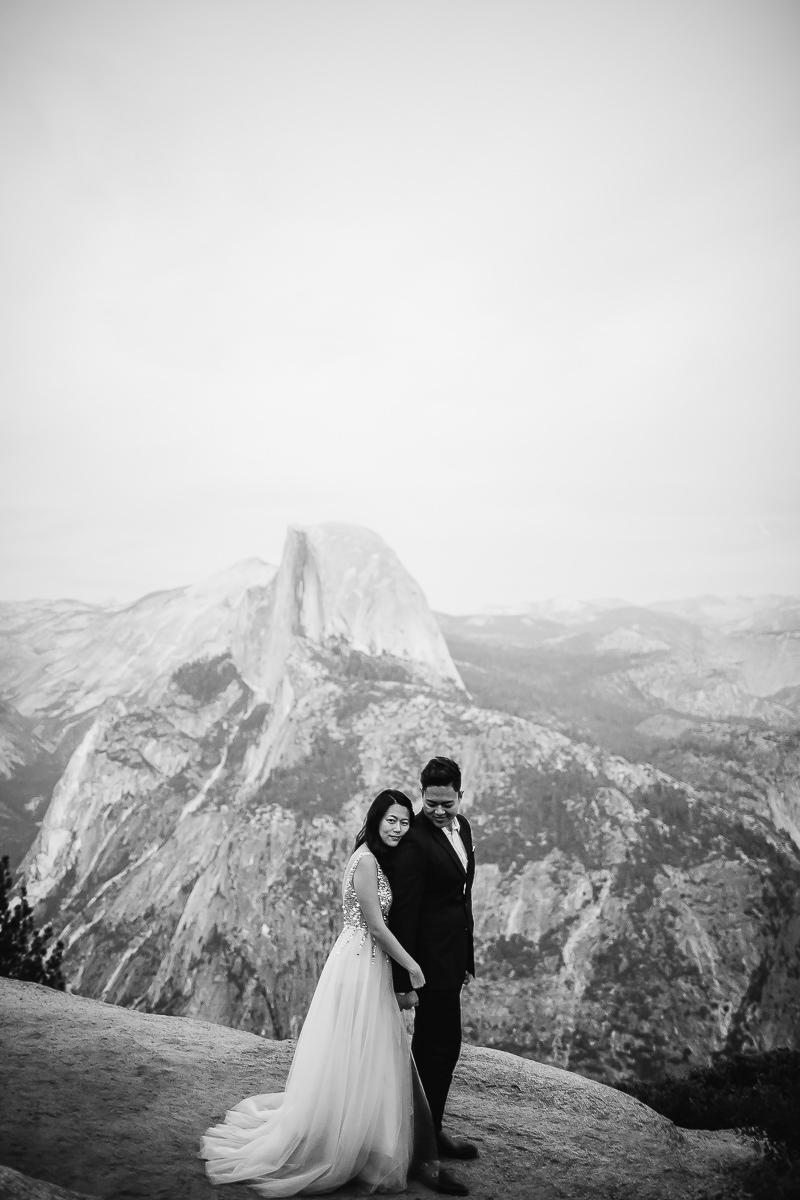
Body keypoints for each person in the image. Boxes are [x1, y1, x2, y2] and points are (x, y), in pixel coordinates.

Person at [200, 789, 467, 1197]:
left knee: (368, 1052)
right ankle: (346, 1140)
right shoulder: (365, 861)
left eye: (403, 822)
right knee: (362, 1049)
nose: (397, 828)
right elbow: (377, 928)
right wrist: (412, 966)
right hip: (360, 963)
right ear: (376, 820)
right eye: (390, 820)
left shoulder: (381, 860)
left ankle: (362, 1133)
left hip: (368, 963)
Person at [384, 757, 478, 1170]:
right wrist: (405, 979)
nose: (439, 811)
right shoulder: (416, 840)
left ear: (460, 795)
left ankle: (429, 1130)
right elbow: (405, 912)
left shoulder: (465, 828)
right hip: (426, 965)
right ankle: (422, 1143)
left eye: (447, 803)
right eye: (431, 802)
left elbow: (461, 898)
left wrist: (466, 958)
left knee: (442, 1049)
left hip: (450, 959)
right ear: (422, 793)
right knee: (435, 1050)